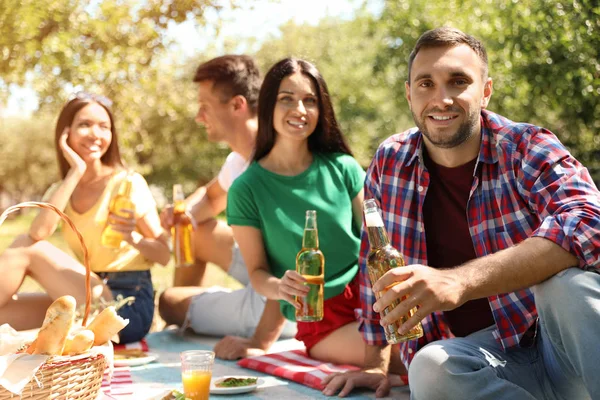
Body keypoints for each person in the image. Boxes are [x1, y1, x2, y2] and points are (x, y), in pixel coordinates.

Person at [322, 26, 600, 399]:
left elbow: (589, 220)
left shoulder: (526, 146)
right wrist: (376, 364)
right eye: (425, 84)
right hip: (486, 358)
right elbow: (374, 266)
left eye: (457, 81)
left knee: (569, 286)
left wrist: (458, 282)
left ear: (485, 91)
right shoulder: (389, 161)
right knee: (430, 368)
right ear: (409, 94)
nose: (442, 99)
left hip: (560, 345)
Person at [227, 58, 406, 382]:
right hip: (321, 319)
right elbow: (256, 273)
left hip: (373, 295)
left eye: (310, 100)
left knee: (439, 344)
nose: (300, 109)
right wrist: (281, 288)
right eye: (287, 99)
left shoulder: (344, 168)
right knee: (408, 357)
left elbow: (380, 243)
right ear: (268, 106)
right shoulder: (246, 189)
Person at [0, 92, 170, 343]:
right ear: (65, 133)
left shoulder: (127, 183)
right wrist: (76, 171)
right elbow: (39, 232)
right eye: (84, 125)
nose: (95, 134)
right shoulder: (63, 189)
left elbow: (164, 255)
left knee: (25, 247)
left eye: (104, 127)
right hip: (87, 293)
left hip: (127, 305)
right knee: (5, 314)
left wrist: (131, 237)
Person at [158, 55, 295, 359]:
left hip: (283, 301)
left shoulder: (278, 163)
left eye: (205, 107)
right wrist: (181, 214)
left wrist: (260, 341)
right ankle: (196, 313)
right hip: (263, 270)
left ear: (237, 105)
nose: (198, 116)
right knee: (193, 230)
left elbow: (293, 261)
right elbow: (210, 198)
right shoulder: (238, 161)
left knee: (168, 301)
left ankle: (184, 316)